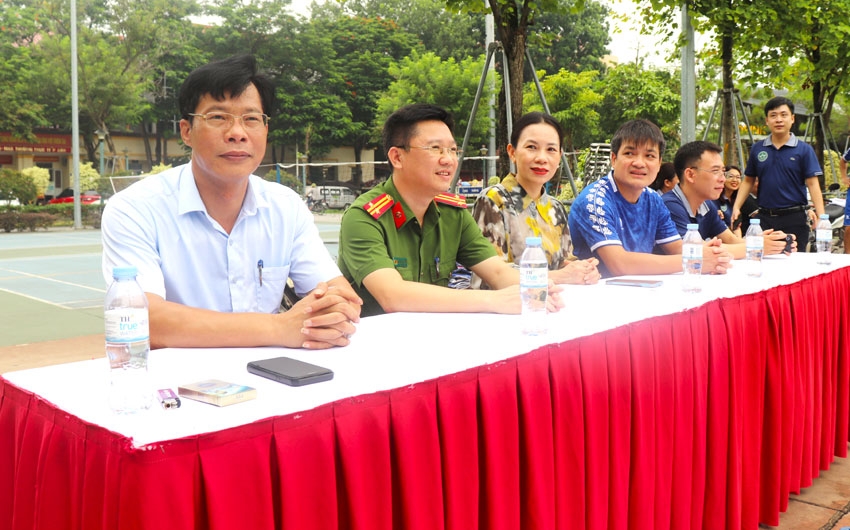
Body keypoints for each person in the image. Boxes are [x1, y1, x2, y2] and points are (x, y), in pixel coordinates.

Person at [102, 54, 361, 350]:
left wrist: (334, 312)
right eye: (218, 117)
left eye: (251, 119)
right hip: (180, 375)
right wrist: (279, 328)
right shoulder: (134, 209)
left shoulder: (286, 207)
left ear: (265, 130)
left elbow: (339, 295)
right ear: (186, 131)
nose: (237, 133)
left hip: (275, 369)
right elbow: (143, 319)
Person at [337, 103, 564, 317]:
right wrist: (494, 300)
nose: (448, 160)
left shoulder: (452, 213)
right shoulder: (364, 217)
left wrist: (536, 288)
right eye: (435, 148)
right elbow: (392, 295)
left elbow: (497, 272)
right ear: (397, 157)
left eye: (453, 150)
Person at [568, 119, 732, 278]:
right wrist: (694, 259)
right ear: (613, 159)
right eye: (629, 153)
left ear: (659, 163)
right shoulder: (595, 199)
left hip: (642, 289)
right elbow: (619, 264)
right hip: (595, 291)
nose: (639, 163)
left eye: (649, 155)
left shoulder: (653, 199)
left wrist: (712, 253)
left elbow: (676, 248)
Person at [472, 112, 600, 285]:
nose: (541, 158)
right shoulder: (493, 201)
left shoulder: (555, 207)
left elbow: (563, 262)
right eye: (532, 147)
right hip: (511, 300)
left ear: (560, 156)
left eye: (551, 149)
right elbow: (491, 275)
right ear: (512, 152)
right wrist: (560, 276)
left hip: (554, 298)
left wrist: (584, 270)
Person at [661, 141, 794, 258]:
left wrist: (774, 243)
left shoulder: (707, 205)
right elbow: (694, 251)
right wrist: (758, 246)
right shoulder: (669, 205)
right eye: (715, 171)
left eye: (723, 172)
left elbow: (731, 240)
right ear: (690, 175)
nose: (723, 179)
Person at [732, 96, 825, 250]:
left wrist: (821, 216)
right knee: (762, 257)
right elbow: (748, 180)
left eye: (783, 115)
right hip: (764, 218)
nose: (779, 120)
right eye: (773, 115)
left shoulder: (804, 150)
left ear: (792, 118)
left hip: (795, 218)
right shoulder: (757, 149)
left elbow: (813, 184)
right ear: (767, 120)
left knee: (794, 259)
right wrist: (736, 207)